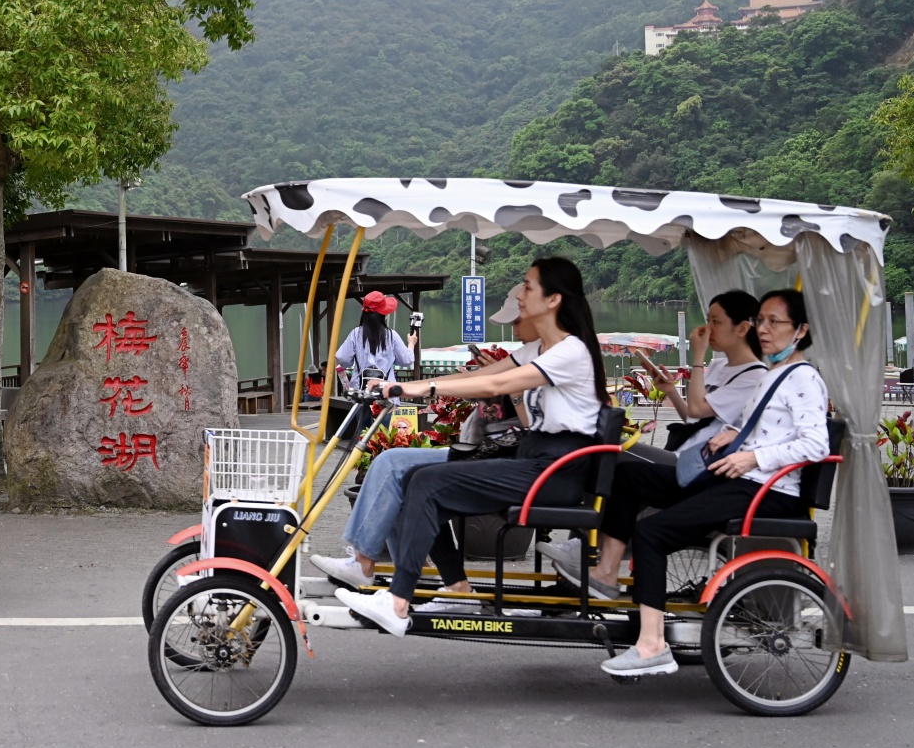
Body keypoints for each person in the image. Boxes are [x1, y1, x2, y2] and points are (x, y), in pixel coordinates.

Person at [333, 256, 611, 636]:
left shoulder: (571, 350)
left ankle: (398, 601)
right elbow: (486, 374)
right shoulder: (541, 350)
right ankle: (450, 589)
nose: (521, 294)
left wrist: (418, 387)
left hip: (555, 471)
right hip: (538, 462)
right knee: (418, 476)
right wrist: (423, 385)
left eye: (529, 287)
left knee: (427, 483)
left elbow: (496, 387)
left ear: (553, 300)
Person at [582, 289, 829, 678]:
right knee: (629, 474)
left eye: (775, 322)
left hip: (766, 491)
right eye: (761, 320)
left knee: (651, 533)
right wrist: (735, 435)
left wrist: (752, 456)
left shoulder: (803, 378)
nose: (764, 329)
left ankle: (652, 645)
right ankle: (606, 573)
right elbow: (768, 429)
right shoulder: (777, 374)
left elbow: (816, 443)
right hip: (738, 476)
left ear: (801, 330)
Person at [311, 282, 535, 595]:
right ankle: (384, 565)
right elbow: (482, 379)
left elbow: (497, 388)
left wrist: (418, 388)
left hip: (512, 457)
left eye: (517, 316)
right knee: (391, 461)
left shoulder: (553, 358)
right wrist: (420, 371)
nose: (513, 324)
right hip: (399, 405)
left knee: (406, 473)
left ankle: (390, 580)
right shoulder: (531, 354)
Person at [539, 290, 769, 569]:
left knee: (614, 457)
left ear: (743, 328)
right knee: (602, 454)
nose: (707, 329)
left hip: (697, 465)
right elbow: (695, 420)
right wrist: (671, 390)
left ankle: (587, 546)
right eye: (707, 320)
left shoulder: (754, 375)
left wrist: (698, 358)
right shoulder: (722, 366)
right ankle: (585, 542)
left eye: (716, 322)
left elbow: (697, 408)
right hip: (687, 454)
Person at [335, 292, 418, 391]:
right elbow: (406, 360)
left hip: (361, 392)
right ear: (383, 314)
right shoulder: (391, 335)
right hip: (387, 393)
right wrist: (411, 344)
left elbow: (342, 357)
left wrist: (351, 363)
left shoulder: (355, 333)